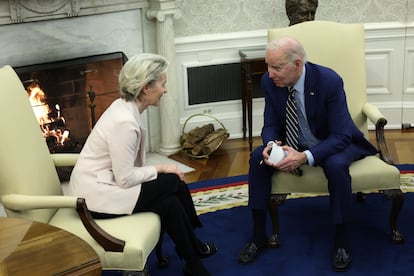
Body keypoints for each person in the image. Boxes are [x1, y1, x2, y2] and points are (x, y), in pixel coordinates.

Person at [68, 53, 217, 276]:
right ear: (146, 88)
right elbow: (125, 178)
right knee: (172, 181)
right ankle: (194, 243)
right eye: (163, 84)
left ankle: (193, 261)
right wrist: (160, 167)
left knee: (170, 203)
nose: (165, 90)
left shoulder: (124, 106)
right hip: (95, 197)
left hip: (105, 184)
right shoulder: (124, 122)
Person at [237, 37, 378, 272]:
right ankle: (258, 235)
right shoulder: (269, 82)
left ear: (297, 64)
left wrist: (305, 157)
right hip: (295, 142)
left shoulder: (328, 81)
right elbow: (270, 123)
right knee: (257, 159)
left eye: (277, 67)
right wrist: (271, 145)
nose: (270, 73)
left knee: (335, 165)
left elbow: (342, 135)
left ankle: (342, 241)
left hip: (333, 142)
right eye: (268, 66)